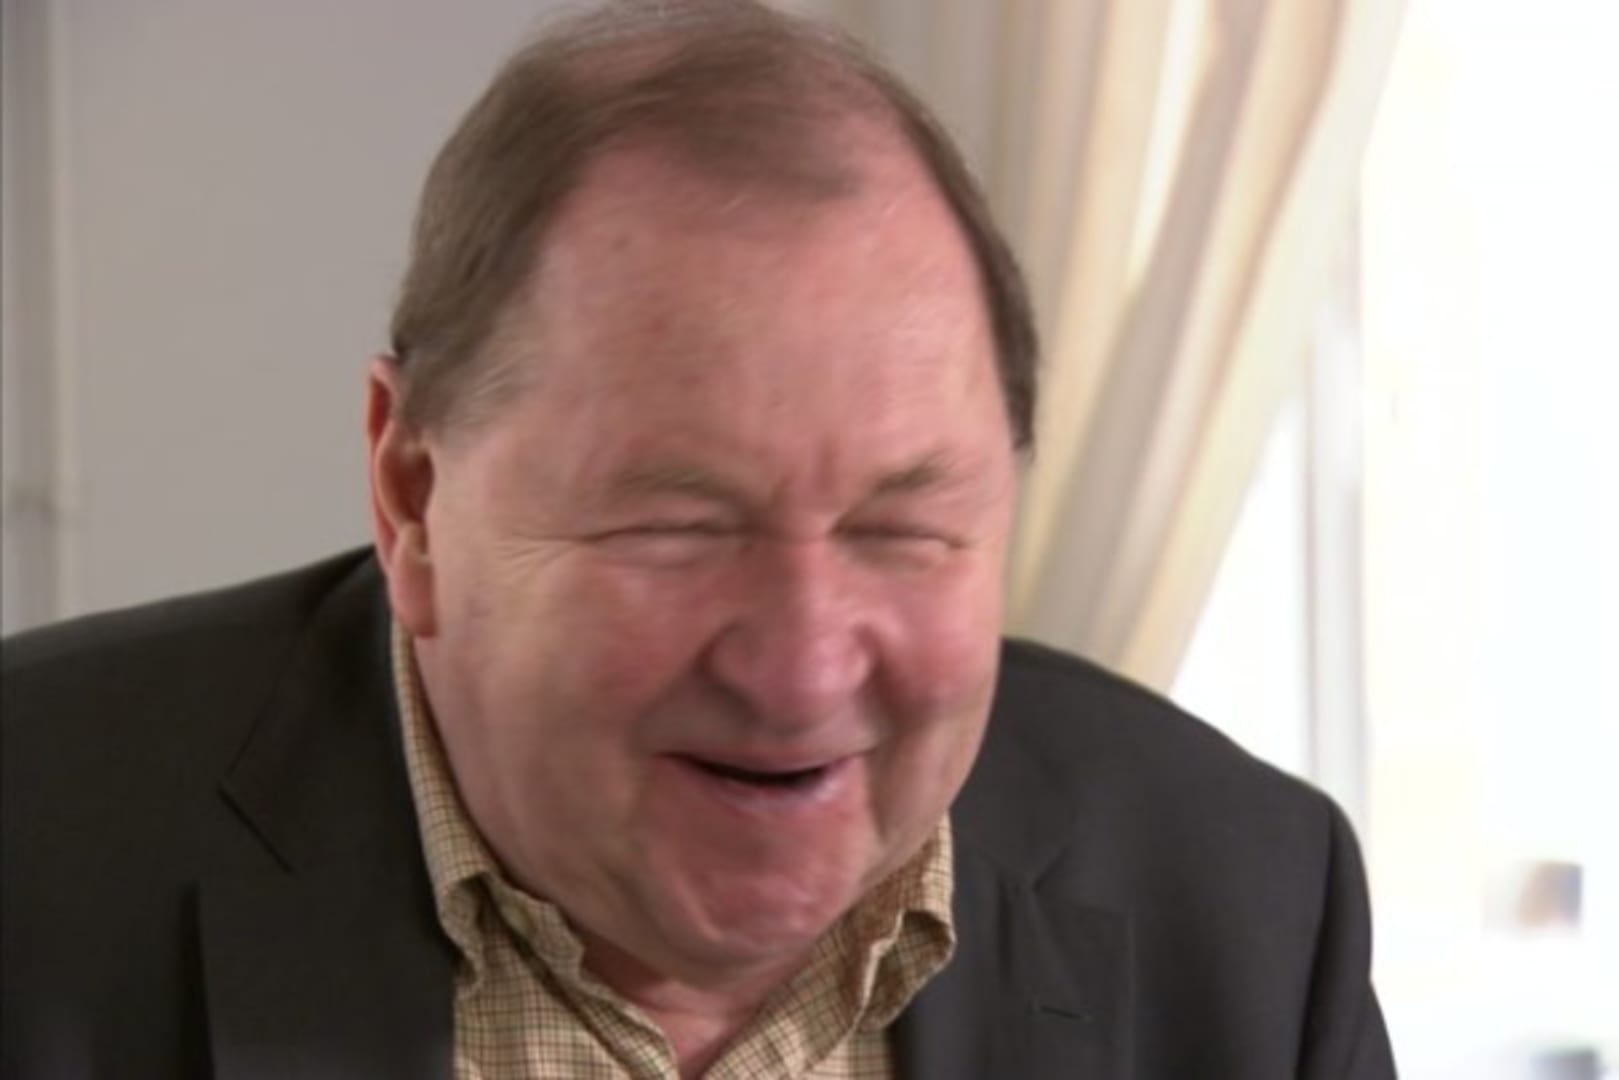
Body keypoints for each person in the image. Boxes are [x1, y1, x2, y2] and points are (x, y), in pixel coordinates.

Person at [0, 2, 1396, 1077]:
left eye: (904, 526)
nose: (800, 670)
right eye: (678, 526)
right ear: (413, 494)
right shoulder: (33, 857)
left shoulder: (1246, 909)